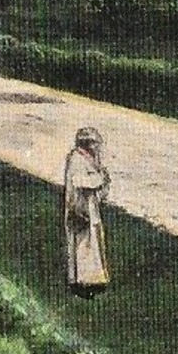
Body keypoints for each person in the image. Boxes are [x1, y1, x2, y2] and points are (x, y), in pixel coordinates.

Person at [64, 127, 111, 297]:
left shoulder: (90, 160)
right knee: (82, 246)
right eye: (94, 143)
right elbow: (80, 181)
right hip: (80, 208)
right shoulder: (76, 158)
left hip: (90, 209)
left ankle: (95, 280)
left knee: (93, 244)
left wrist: (103, 183)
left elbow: (99, 190)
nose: (97, 147)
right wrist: (100, 179)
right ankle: (82, 283)